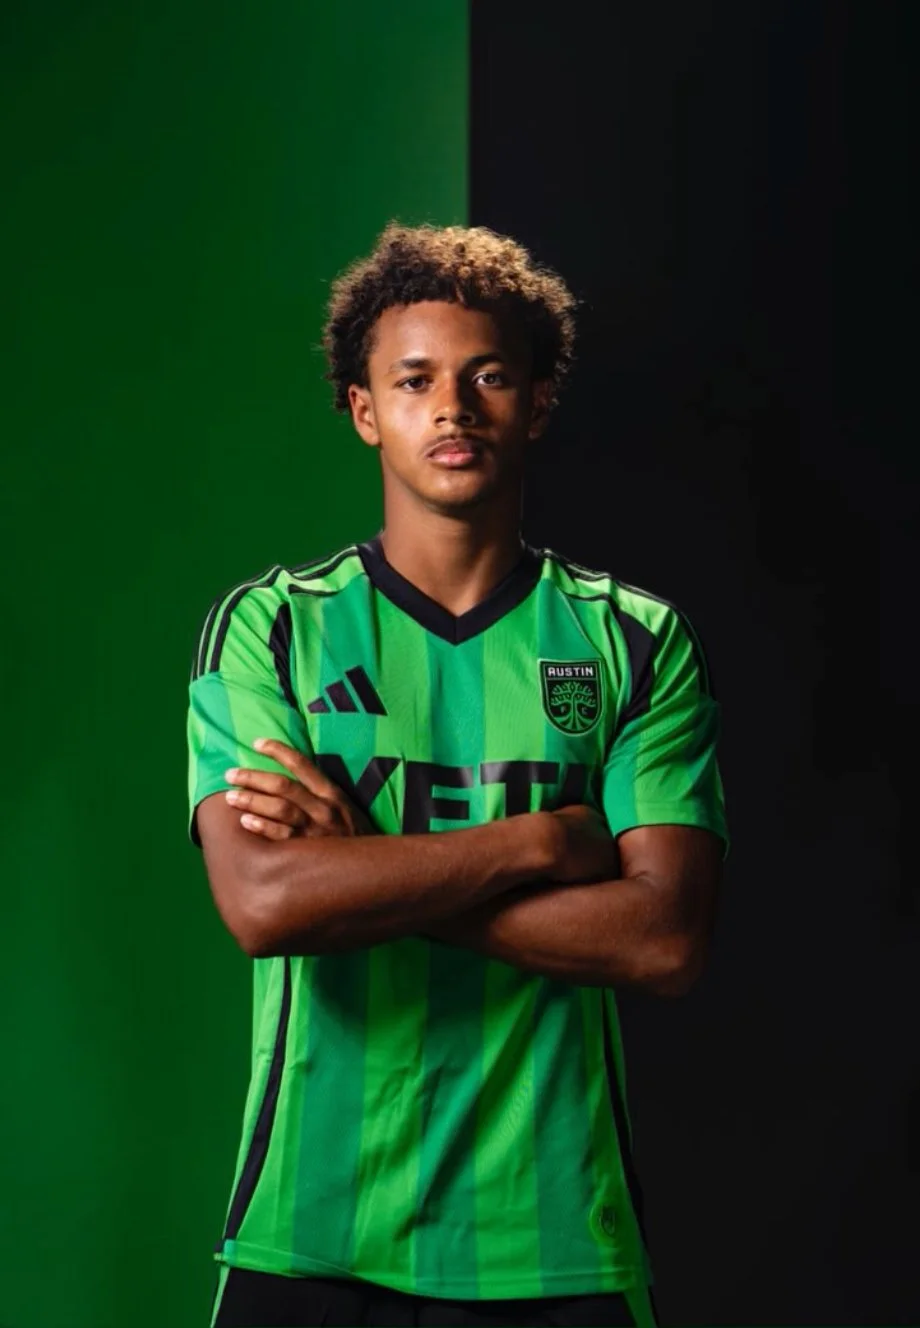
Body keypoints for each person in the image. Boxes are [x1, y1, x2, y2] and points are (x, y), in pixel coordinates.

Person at [187, 222, 728, 1328]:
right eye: (416, 380)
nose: (454, 407)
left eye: (488, 376)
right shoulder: (275, 628)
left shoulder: (632, 639)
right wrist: (538, 844)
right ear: (363, 410)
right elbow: (264, 901)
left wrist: (362, 871)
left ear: (534, 402)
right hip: (312, 1235)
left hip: (555, 1244)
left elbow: (660, 938)